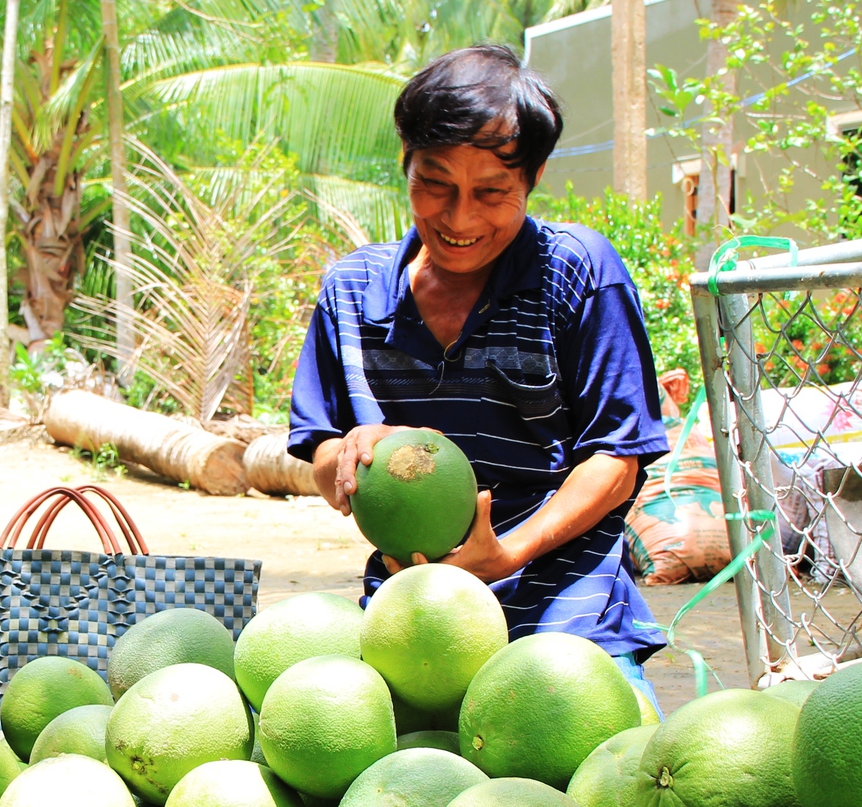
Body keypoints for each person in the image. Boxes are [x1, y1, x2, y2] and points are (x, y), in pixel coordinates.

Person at [287, 45, 669, 712]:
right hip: (413, 613)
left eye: (491, 193)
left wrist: (510, 551)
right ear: (405, 162)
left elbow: (617, 458)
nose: (459, 220)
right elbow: (320, 455)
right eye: (435, 184)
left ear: (535, 176)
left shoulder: (579, 271)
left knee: (608, 776)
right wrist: (351, 453)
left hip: (566, 605)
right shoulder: (351, 292)